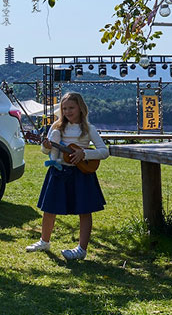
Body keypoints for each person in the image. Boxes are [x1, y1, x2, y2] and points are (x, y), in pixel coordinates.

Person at [25, 92, 109, 261]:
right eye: (64, 108)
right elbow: (45, 151)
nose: (68, 111)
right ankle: (44, 241)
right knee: (49, 208)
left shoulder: (88, 128)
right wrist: (46, 145)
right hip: (58, 171)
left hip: (81, 173)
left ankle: (81, 249)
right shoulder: (56, 127)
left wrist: (84, 154)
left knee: (84, 210)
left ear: (80, 108)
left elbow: (104, 151)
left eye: (71, 108)